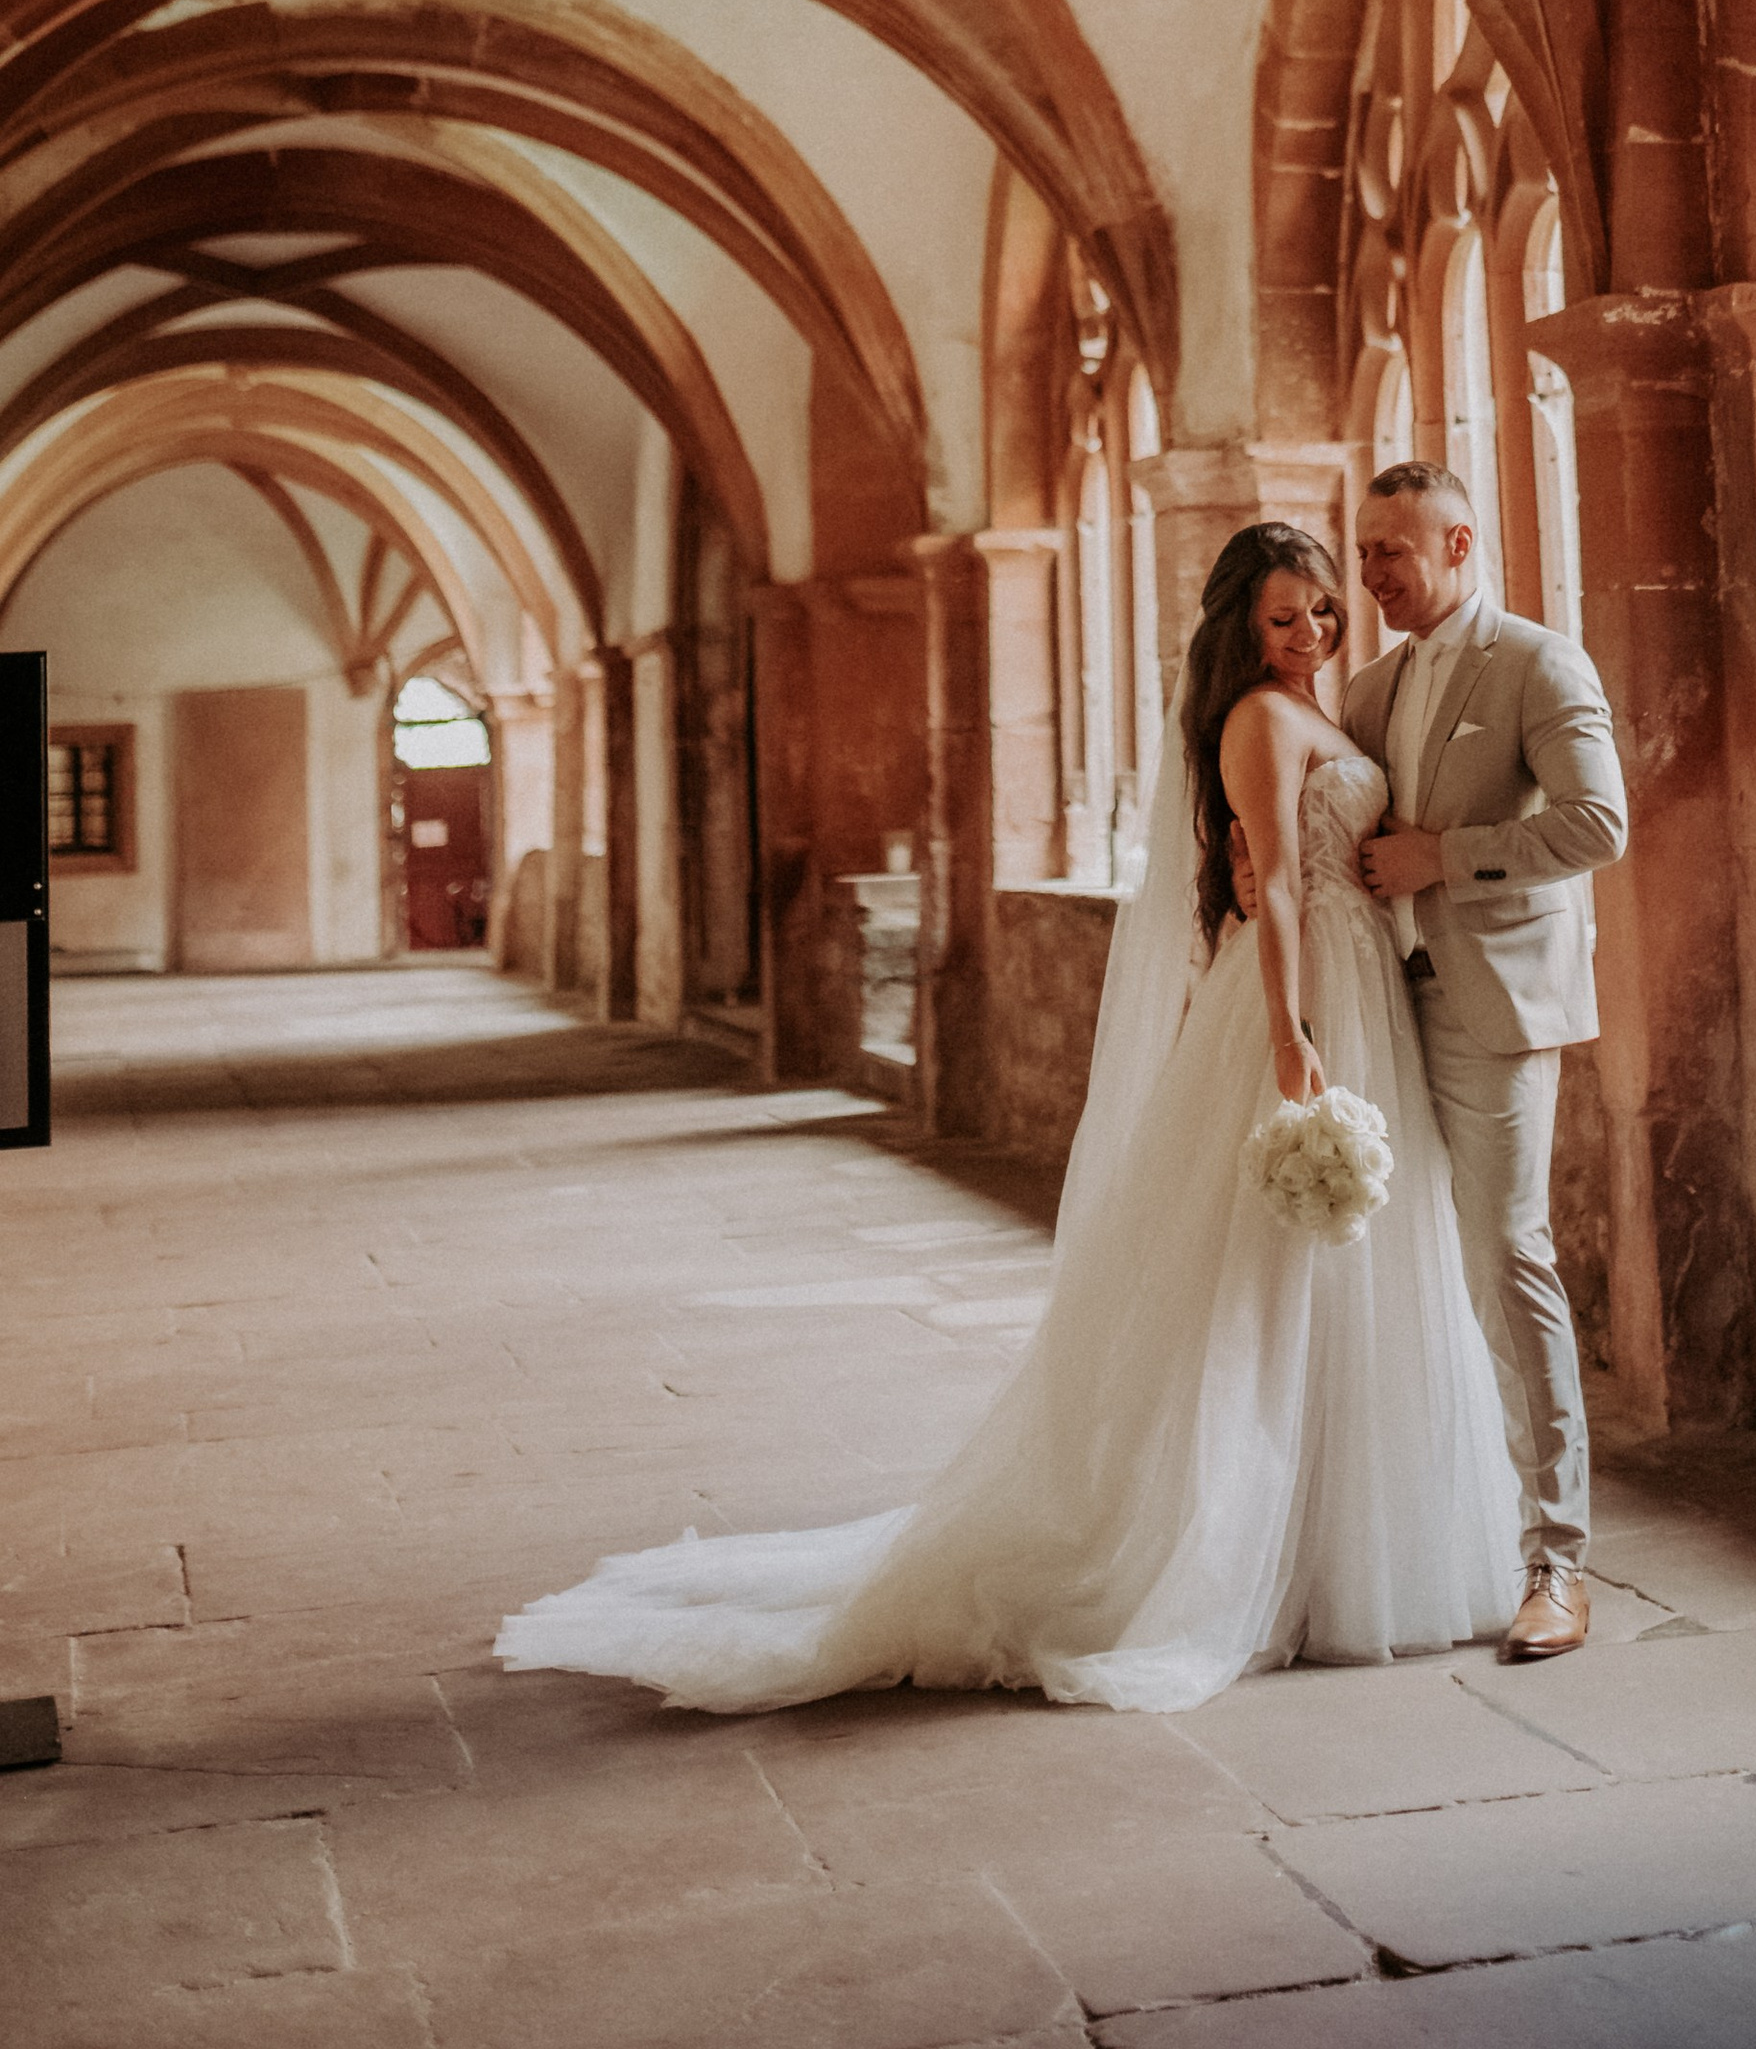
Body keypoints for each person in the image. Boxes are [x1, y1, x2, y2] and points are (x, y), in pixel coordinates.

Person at [495, 522, 1515, 1714]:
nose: (1310, 634)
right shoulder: (1253, 720)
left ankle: (1354, 1539)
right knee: (1262, 1272)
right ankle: (1248, 1548)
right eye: (1284, 617)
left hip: (1364, 984)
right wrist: (1291, 1032)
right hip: (1303, 995)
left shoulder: (1330, 712)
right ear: (1242, 626)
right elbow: (1276, 883)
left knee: (1359, 1264)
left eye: (1323, 612)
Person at [1349, 459, 1628, 1665]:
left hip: (1495, 1007)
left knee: (1508, 1255)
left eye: (1392, 552)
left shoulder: (1538, 662)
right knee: (1396, 1270)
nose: (1371, 575)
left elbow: (1598, 824)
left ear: (1458, 547)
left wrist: (1442, 859)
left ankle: (1556, 1561)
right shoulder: (1366, 688)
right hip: (1377, 1005)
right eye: (1362, 553)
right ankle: (1416, 1536)